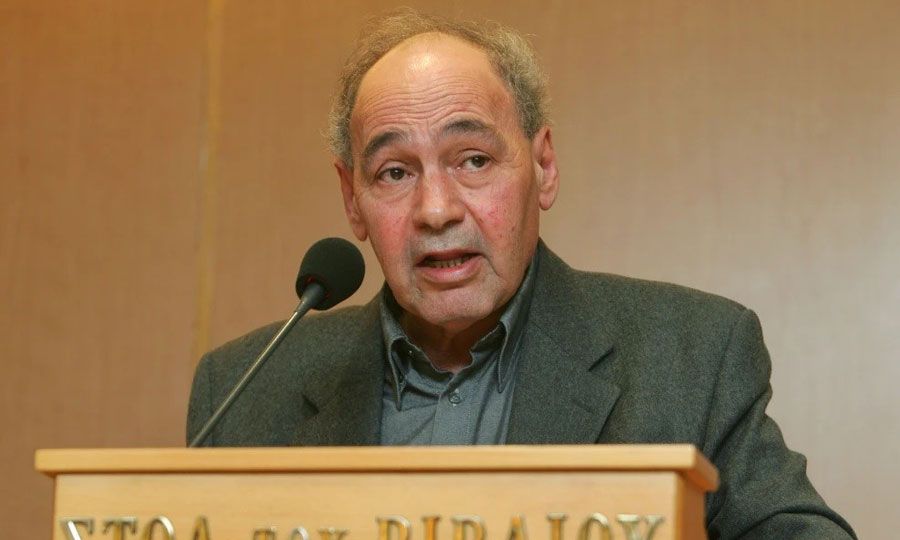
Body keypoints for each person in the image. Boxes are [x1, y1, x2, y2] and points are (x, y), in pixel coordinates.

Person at [187, 10, 855, 539]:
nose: (436, 210)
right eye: (394, 172)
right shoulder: (246, 390)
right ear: (352, 199)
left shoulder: (690, 355)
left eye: (473, 160)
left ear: (544, 167)